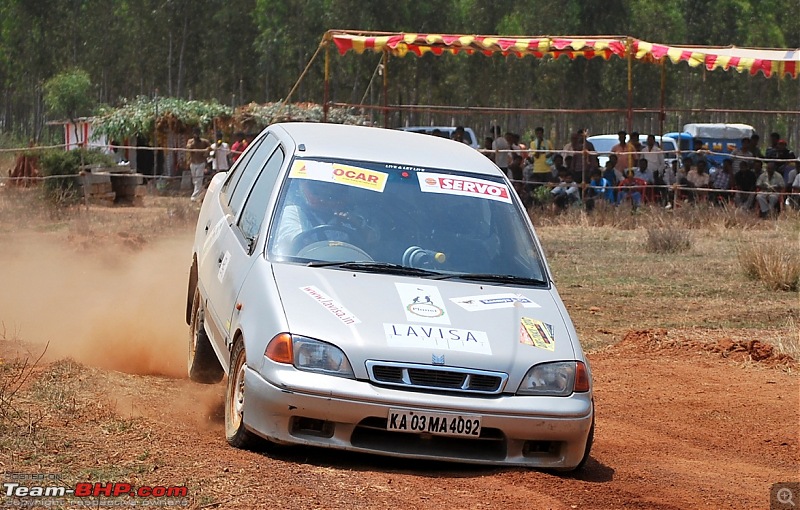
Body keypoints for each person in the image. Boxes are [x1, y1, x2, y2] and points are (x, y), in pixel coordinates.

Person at [273, 179, 370, 255]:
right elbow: (301, 242)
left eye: (334, 194)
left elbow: (373, 244)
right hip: (299, 268)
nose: (324, 198)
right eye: (318, 191)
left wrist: (358, 226)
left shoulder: (350, 219)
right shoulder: (294, 212)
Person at [186, 127, 211, 201]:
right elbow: (188, 147)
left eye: (197, 133)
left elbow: (211, 147)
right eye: (195, 133)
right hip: (193, 163)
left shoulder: (204, 141)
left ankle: (195, 196)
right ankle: (198, 193)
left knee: (199, 179)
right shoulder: (190, 141)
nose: (196, 135)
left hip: (201, 162)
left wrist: (207, 150)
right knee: (194, 180)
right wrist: (194, 142)